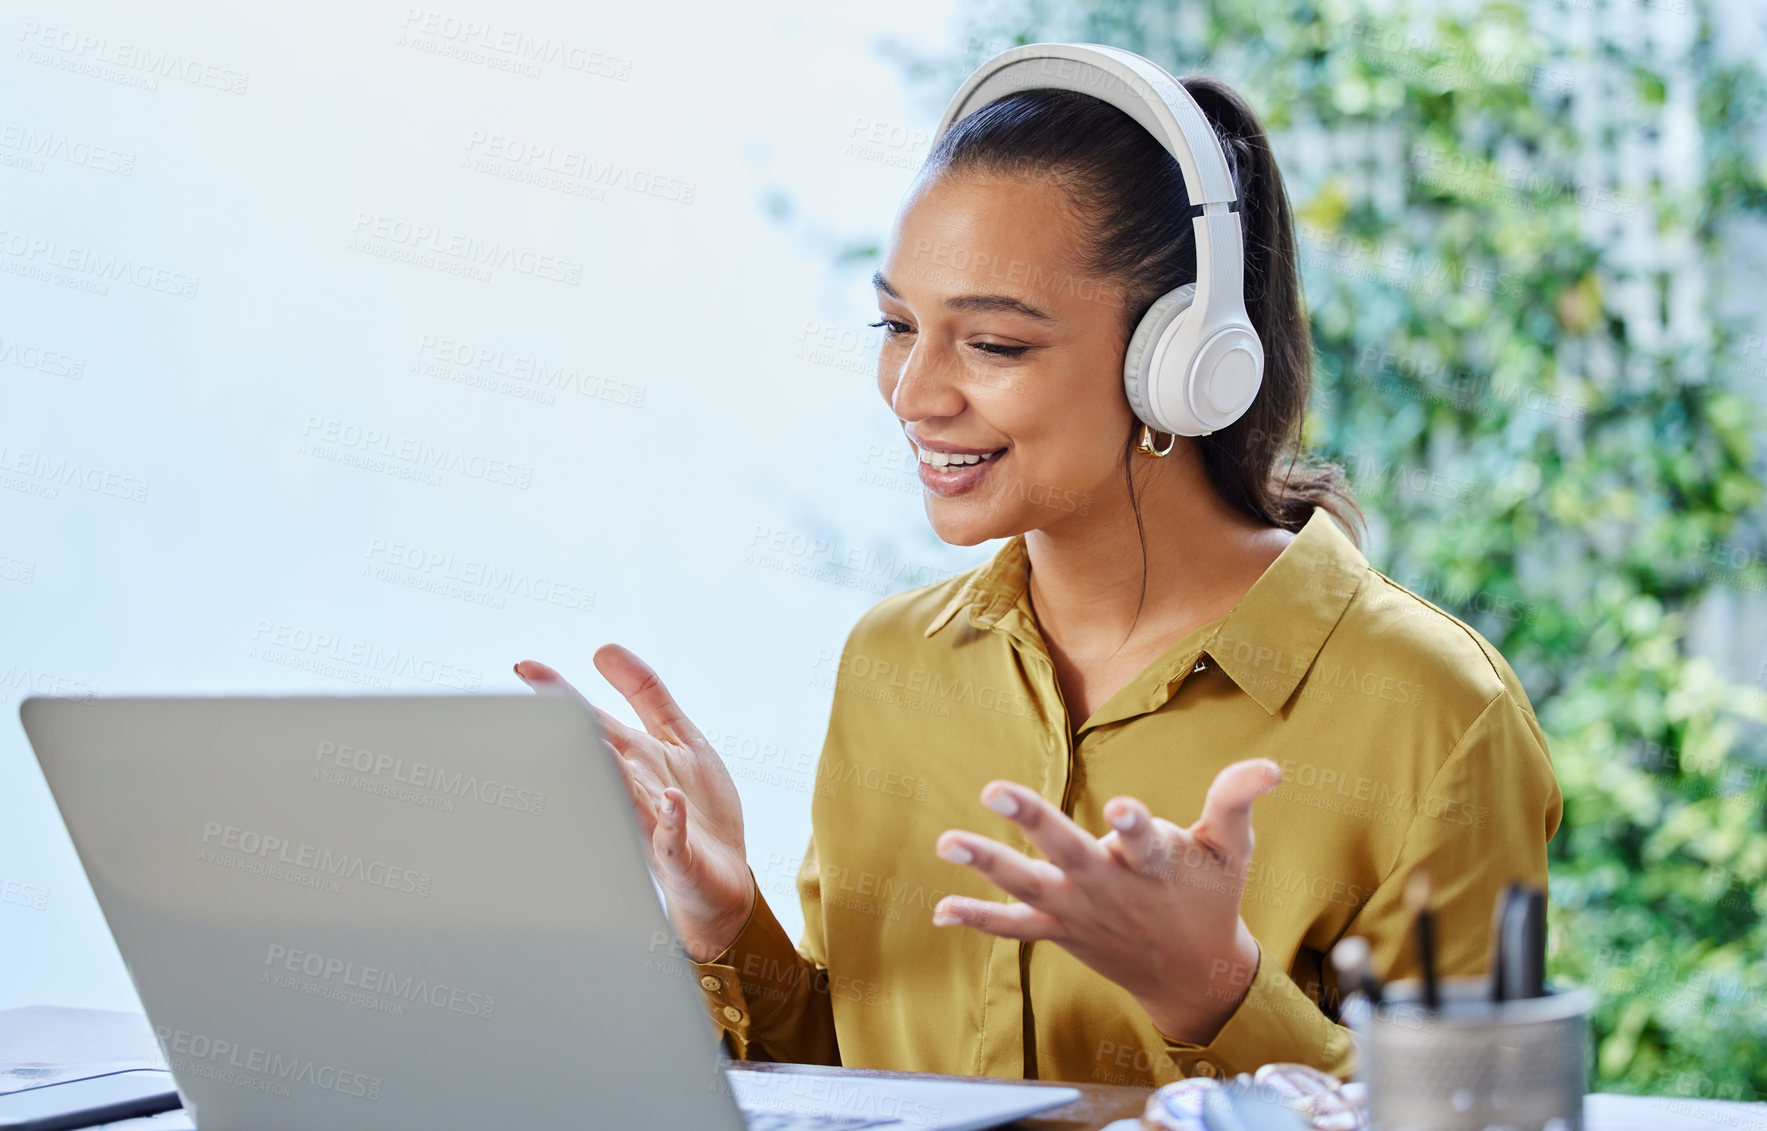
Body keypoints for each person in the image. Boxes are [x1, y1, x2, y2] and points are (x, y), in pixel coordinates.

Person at [516, 69, 1561, 1087]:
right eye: (897, 326)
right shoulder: (895, 665)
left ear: (1182, 361)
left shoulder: (1431, 709)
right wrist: (723, 922)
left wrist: (1217, 993)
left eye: (995, 343)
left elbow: (1479, 1122)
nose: (915, 392)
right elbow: (861, 1085)